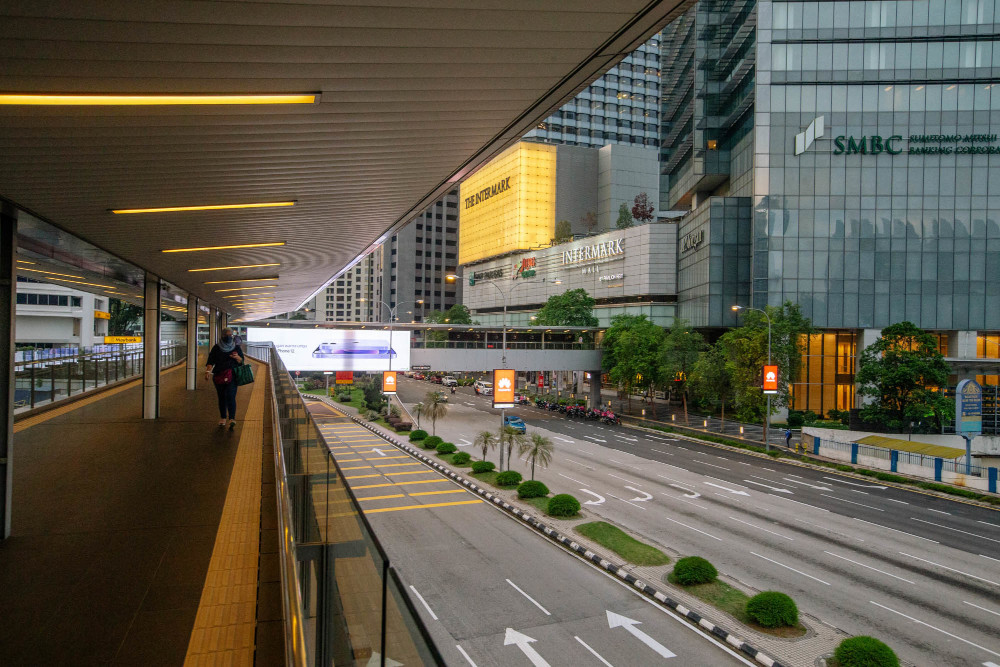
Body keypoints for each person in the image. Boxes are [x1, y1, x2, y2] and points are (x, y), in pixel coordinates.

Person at [205, 328, 245, 430]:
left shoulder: (236, 347)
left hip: (232, 375)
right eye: (226, 335)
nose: (228, 337)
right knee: (222, 397)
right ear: (222, 336)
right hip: (219, 376)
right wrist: (207, 372)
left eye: (230, 335)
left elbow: (241, 361)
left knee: (231, 396)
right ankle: (223, 417)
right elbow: (211, 361)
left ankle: (232, 418)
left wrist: (237, 357)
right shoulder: (216, 348)